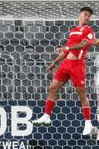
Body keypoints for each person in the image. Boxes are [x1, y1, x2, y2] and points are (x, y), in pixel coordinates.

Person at [32, 7, 95, 135]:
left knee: (81, 93)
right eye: (85, 14)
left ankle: (88, 123)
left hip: (77, 65)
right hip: (66, 64)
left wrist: (66, 47)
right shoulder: (73, 31)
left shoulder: (89, 31)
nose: (87, 17)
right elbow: (67, 51)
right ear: (80, 15)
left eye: (89, 16)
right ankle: (46, 116)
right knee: (53, 87)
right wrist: (54, 63)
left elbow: (83, 44)